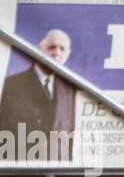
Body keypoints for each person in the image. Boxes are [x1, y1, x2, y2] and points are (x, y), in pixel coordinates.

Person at [0, 29, 76, 159]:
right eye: (52, 47)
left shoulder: (69, 90)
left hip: (57, 171)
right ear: (39, 49)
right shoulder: (10, 85)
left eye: (62, 49)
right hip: (20, 170)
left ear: (67, 55)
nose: (57, 53)